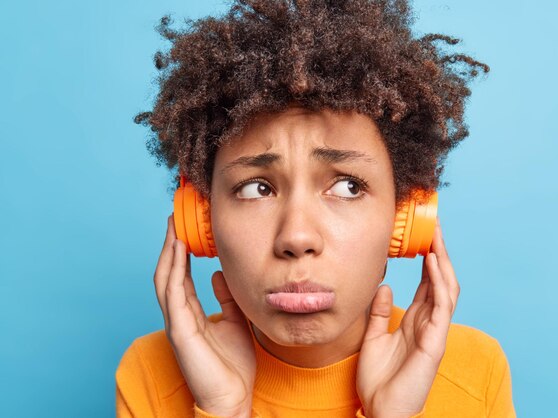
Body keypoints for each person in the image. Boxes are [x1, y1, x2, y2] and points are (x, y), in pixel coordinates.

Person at [116, 1, 516, 417]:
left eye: (347, 186)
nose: (297, 238)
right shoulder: (153, 371)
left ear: (405, 220)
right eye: (257, 188)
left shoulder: (475, 371)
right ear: (201, 220)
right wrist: (222, 410)